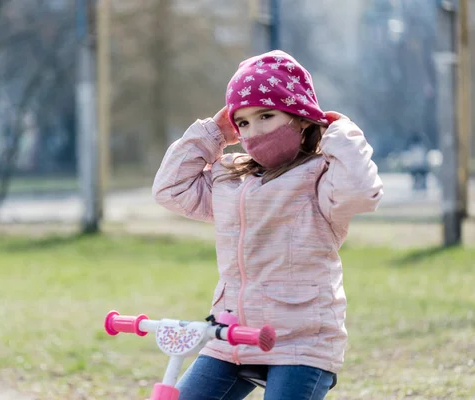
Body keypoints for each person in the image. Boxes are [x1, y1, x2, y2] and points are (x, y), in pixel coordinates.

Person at [152, 50, 384, 400]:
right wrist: (213, 132)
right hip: (231, 336)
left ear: (300, 118)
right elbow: (170, 189)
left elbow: (361, 193)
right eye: (243, 122)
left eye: (266, 116)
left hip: (301, 342)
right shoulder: (230, 180)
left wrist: (340, 133)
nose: (254, 132)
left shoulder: (321, 178)